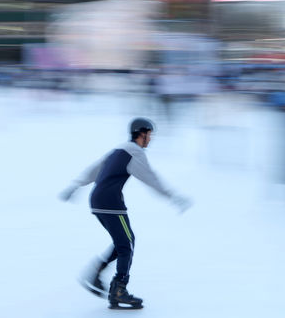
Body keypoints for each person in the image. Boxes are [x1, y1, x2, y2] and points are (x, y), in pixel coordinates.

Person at [59, 117, 191, 309]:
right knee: (127, 245)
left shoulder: (118, 150)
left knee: (123, 243)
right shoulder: (135, 152)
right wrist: (172, 196)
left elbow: (94, 169)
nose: (150, 139)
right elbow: (151, 178)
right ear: (141, 134)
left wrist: (76, 185)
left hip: (97, 201)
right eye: (149, 135)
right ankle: (119, 290)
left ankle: (99, 271)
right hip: (111, 204)